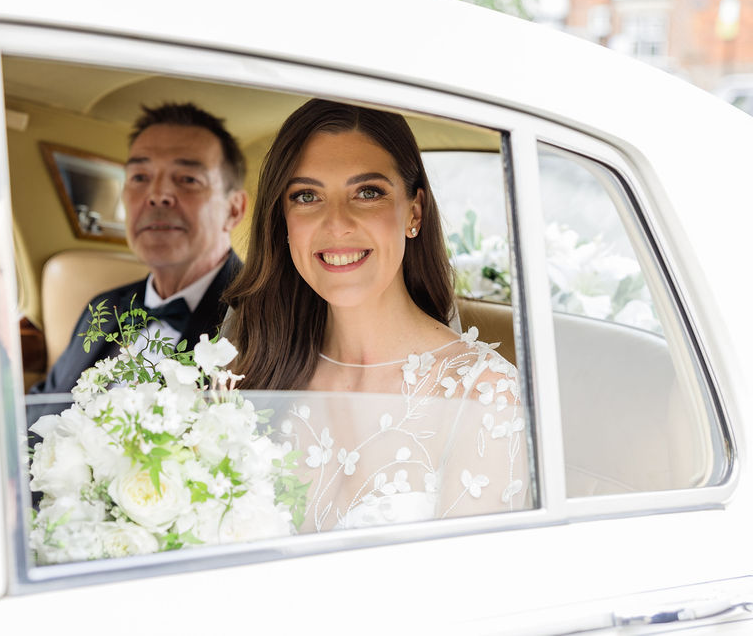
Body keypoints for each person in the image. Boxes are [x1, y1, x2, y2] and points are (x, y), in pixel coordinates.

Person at [224, 99, 528, 531]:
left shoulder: (485, 398)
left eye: (368, 193)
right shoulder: (249, 370)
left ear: (414, 212)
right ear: (284, 222)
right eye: (307, 196)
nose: (336, 224)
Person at [30, 102, 248, 396]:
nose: (157, 195)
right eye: (140, 178)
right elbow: (44, 412)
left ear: (234, 209)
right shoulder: (102, 308)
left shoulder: (265, 318)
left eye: (187, 179)